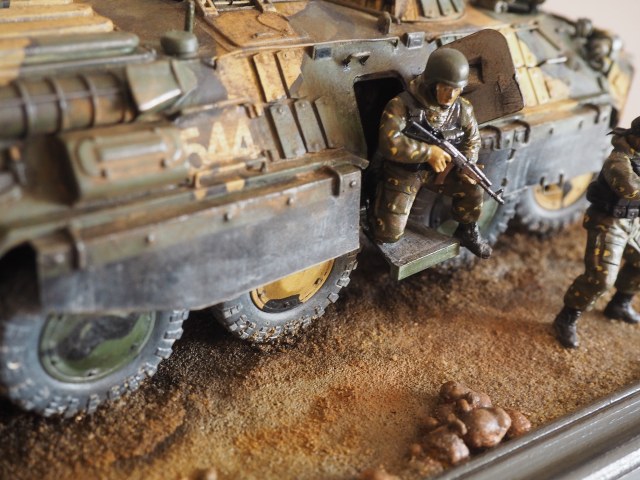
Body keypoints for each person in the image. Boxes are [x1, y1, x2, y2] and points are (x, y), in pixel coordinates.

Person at [372, 47, 491, 259]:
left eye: (457, 89)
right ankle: (375, 203)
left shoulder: (463, 109)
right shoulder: (402, 105)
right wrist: (428, 152)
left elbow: (472, 140)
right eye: (445, 88)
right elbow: (389, 142)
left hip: (441, 170)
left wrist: (467, 164)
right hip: (404, 171)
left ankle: (467, 231)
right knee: (387, 235)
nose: (451, 95)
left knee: (473, 187)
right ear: (432, 83)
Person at [554, 116, 640, 348]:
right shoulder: (618, 160)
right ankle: (566, 318)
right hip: (608, 222)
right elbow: (631, 189)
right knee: (601, 278)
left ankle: (619, 304)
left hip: (633, 220)